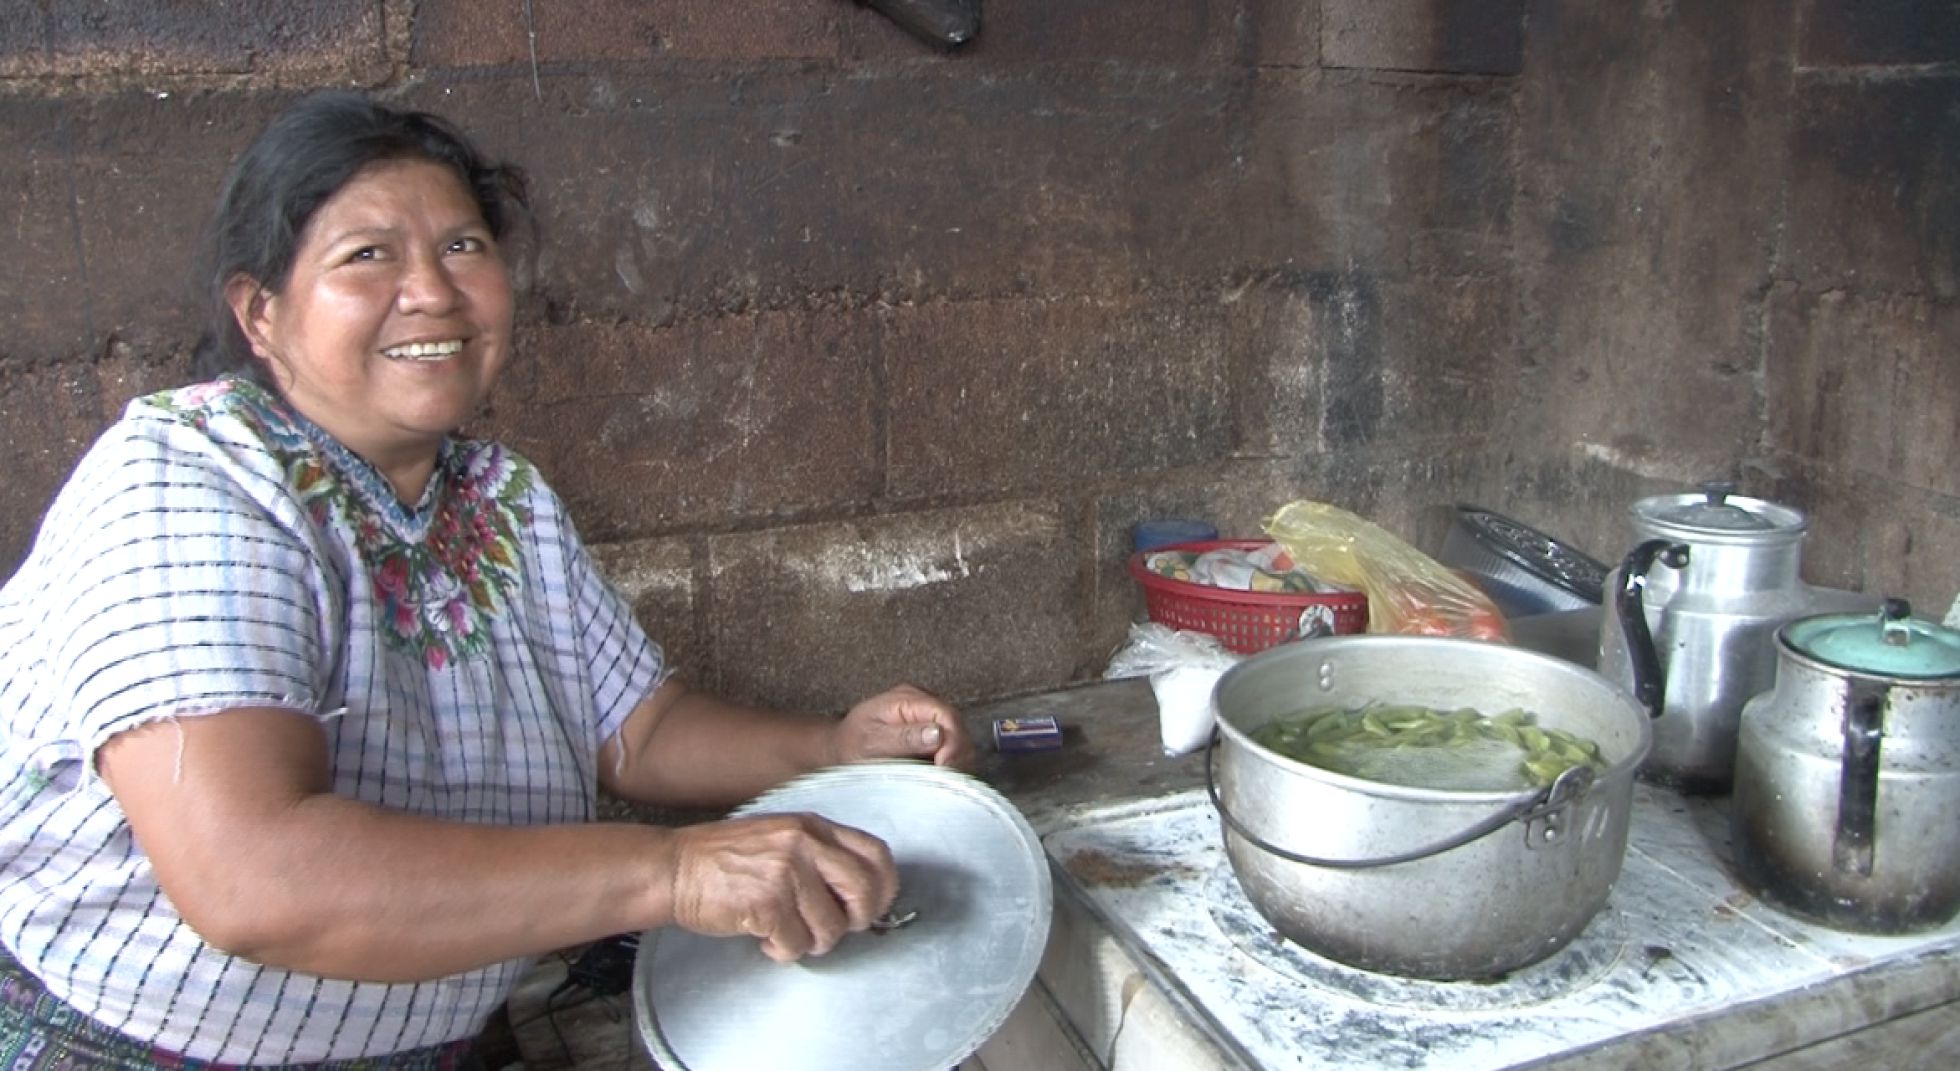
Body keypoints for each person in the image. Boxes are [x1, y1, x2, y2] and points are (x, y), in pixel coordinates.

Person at [0, 91, 974, 1068]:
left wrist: (833, 748)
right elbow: (254, 880)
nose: (432, 291)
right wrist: (673, 873)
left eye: (462, 246)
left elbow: (637, 731)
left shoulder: (500, 497)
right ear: (261, 313)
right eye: (367, 255)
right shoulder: (192, 477)